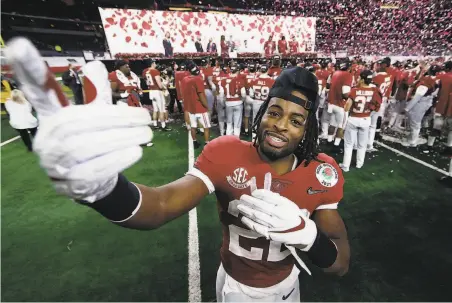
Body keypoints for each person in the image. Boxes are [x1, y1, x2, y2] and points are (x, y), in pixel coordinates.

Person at [7, 37, 350, 302]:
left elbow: (340, 263)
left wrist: (309, 237)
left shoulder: (323, 172)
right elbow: (159, 206)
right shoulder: (225, 152)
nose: (279, 126)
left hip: (288, 285)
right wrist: (103, 191)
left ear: (308, 130)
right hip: (235, 285)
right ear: (261, 114)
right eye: (274, 112)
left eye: (295, 120)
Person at [340, 70, 382, 172]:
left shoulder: (354, 90)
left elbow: (346, 108)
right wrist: (368, 112)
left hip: (353, 119)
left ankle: (346, 166)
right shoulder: (374, 90)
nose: (358, 79)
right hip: (366, 119)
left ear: (363, 79)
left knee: (349, 144)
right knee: (362, 145)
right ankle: (359, 164)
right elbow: (377, 107)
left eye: (359, 78)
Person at [142, 60, 171, 131]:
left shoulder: (144, 71)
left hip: (151, 91)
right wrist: (164, 87)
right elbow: (159, 84)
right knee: (161, 109)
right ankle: (163, 126)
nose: (155, 64)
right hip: (157, 91)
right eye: (154, 63)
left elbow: (146, 80)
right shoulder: (155, 71)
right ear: (152, 64)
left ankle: (155, 125)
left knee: (155, 109)